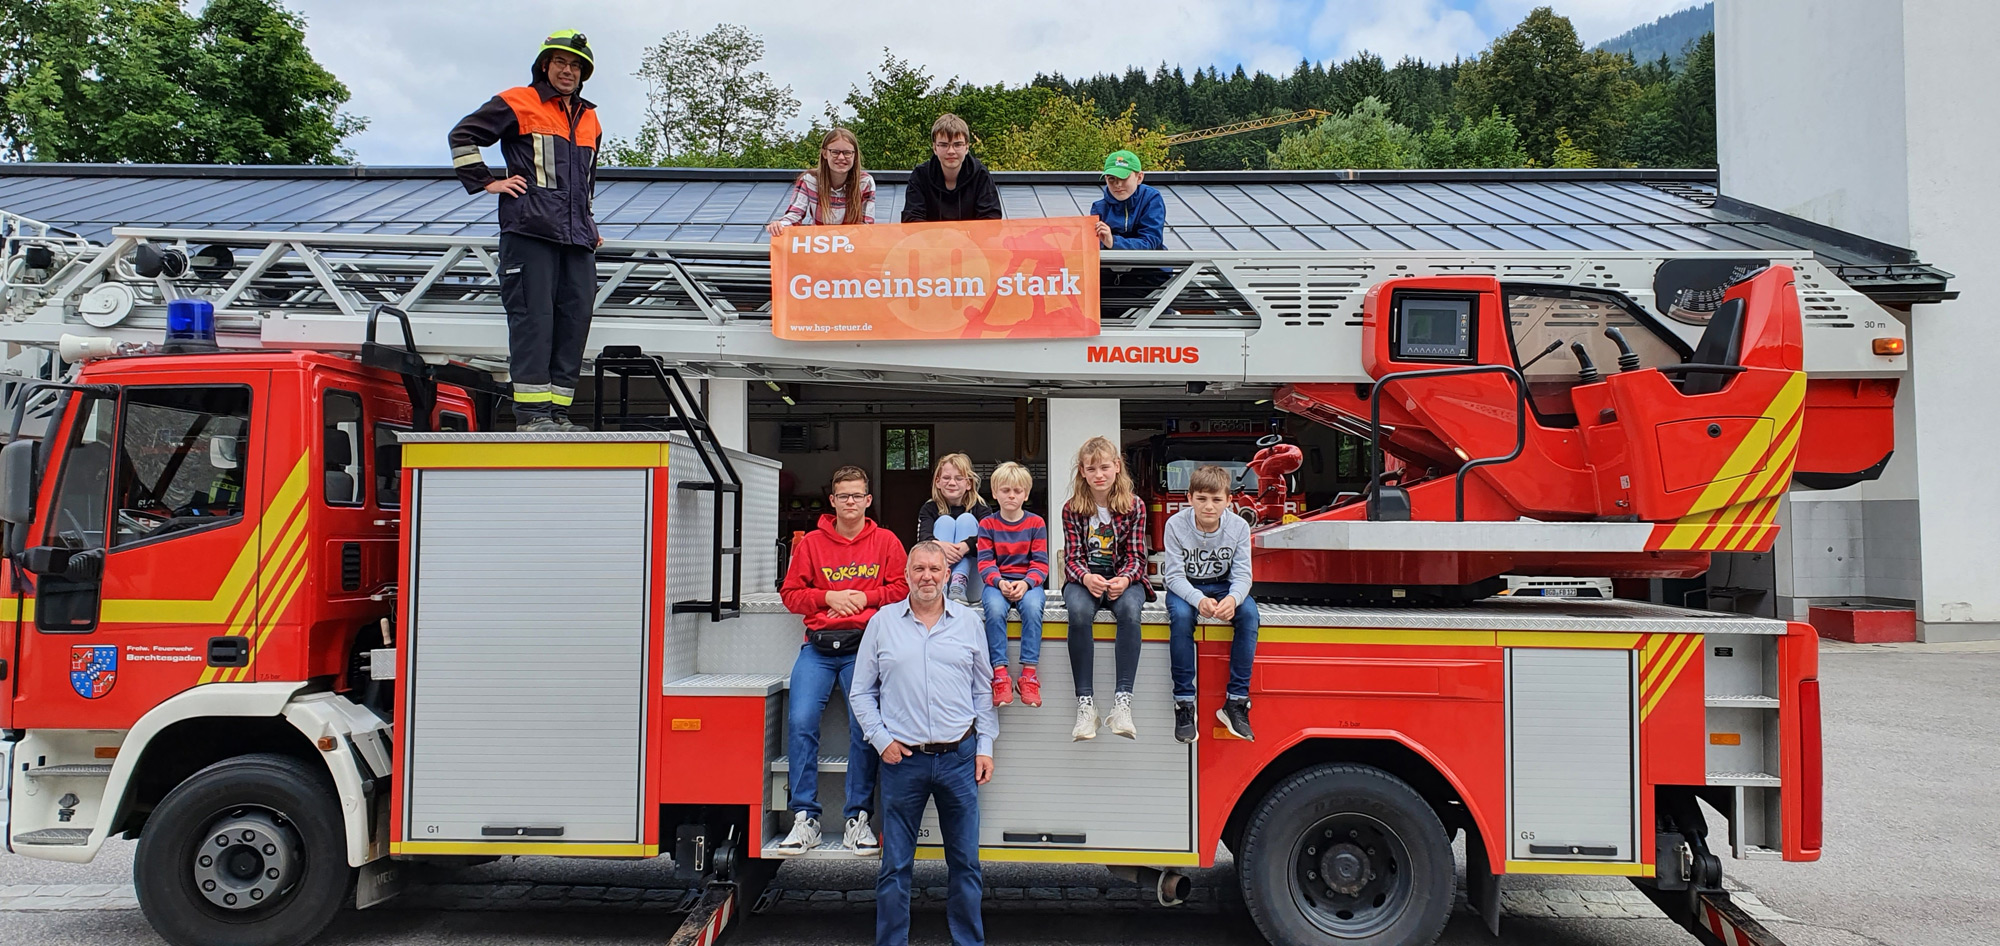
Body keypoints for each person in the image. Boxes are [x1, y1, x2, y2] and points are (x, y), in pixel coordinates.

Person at [449, 30, 605, 433]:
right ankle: (532, 416)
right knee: (534, 320)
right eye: (560, 63)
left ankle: (557, 414)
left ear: (583, 73)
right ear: (545, 66)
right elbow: (462, 136)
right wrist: (487, 181)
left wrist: (587, 219)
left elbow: (584, 179)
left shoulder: (590, 117)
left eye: (575, 66)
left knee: (574, 323)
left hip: (576, 238)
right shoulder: (518, 100)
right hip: (529, 230)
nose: (567, 71)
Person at [850, 541, 997, 946]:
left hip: (960, 758)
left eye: (935, 569)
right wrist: (881, 741)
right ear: (906, 574)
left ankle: (969, 941)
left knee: (966, 863)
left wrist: (985, 745)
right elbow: (861, 693)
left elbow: (983, 690)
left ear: (948, 575)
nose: (927, 577)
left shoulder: (968, 622)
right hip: (903, 761)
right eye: (919, 569)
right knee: (895, 866)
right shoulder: (882, 622)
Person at [776, 466, 909, 857]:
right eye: (843, 496)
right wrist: (827, 598)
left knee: (863, 729)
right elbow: (790, 594)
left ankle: (857, 819)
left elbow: (903, 588)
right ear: (832, 501)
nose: (850, 502)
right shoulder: (812, 544)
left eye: (857, 496)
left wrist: (863, 599)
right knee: (800, 723)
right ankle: (806, 818)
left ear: (868, 501)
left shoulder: (886, 541)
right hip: (817, 648)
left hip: (865, 648)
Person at [1059, 436, 1150, 741]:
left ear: (1117, 468)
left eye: (1105, 467)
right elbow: (1071, 558)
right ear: (1082, 472)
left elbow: (1138, 556)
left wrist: (1123, 579)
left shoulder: (1134, 506)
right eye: (1092, 468)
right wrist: (1086, 578)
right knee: (1080, 612)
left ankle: (1122, 701)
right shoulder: (1072, 509)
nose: (1099, 474)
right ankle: (1086, 705)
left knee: (1128, 610)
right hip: (1084, 578)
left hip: (1125, 577)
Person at [1161, 464, 1259, 743]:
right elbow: (1174, 575)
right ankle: (1184, 703)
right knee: (1180, 618)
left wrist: (1232, 598)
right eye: (1202, 499)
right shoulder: (1175, 525)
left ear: (1229, 501)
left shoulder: (1239, 526)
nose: (1208, 506)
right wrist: (1198, 599)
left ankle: (1236, 701)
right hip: (1186, 586)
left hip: (1224, 584)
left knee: (1249, 614)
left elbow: (1243, 574)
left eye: (1217, 499)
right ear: (1189, 498)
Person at [975, 462, 1049, 707]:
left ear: (1026, 494)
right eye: (1005, 490)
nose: (1011, 495)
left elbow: (1040, 563)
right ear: (994, 492)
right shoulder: (987, 525)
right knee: (995, 611)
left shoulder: (1036, 523)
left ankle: (1028, 673)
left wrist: (1027, 583)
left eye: (1017, 491)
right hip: (998, 583)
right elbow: (985, 562)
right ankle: (1000, 674)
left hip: (1028, 583)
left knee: (1032, 609)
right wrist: (999, 582)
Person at [766, 127, 875, 235]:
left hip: (851, 246)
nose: (841, 157)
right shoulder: (809, 180)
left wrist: (839, 238)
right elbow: (795, 214)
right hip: (819, 246)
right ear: (824, 154)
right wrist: (780, 225)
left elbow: (866, 226)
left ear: (854, 155)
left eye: (847, 153)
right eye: (835, 152)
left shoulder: (865, 182)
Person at [916, 453, 991, 604]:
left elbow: (991, 539)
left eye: (958, 478)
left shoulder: (981, 508)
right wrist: (939, 546)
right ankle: (943, 583)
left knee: (966, 519)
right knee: (945, 521)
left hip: (972, 586)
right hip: (938, 585)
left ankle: (959, 581)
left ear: (968, 483)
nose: (952, 483)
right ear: (937, 482)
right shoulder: (929, 508)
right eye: (946, 478)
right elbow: (922, 540)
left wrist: (966, 546)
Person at [900, 114, 1003, 223]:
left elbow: (991, 219)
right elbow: (912, 219)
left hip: (970, 239)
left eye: (957, 145)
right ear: (934, 148)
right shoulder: (920, 175)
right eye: (944, 145)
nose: (951, 151)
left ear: (967, 147)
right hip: (931, 239)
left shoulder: (981, 175)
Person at [1091, 150, 1166, 250]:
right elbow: (1092, 245)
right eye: (1111, 178)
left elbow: (1150, 242)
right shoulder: (1099, 207)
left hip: (1148, 264)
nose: (1118, 184)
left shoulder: (1151, 199)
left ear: (1139, 177)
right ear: (1105, 179)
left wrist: (1113, 242)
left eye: (1124, 177)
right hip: (1109, 264)